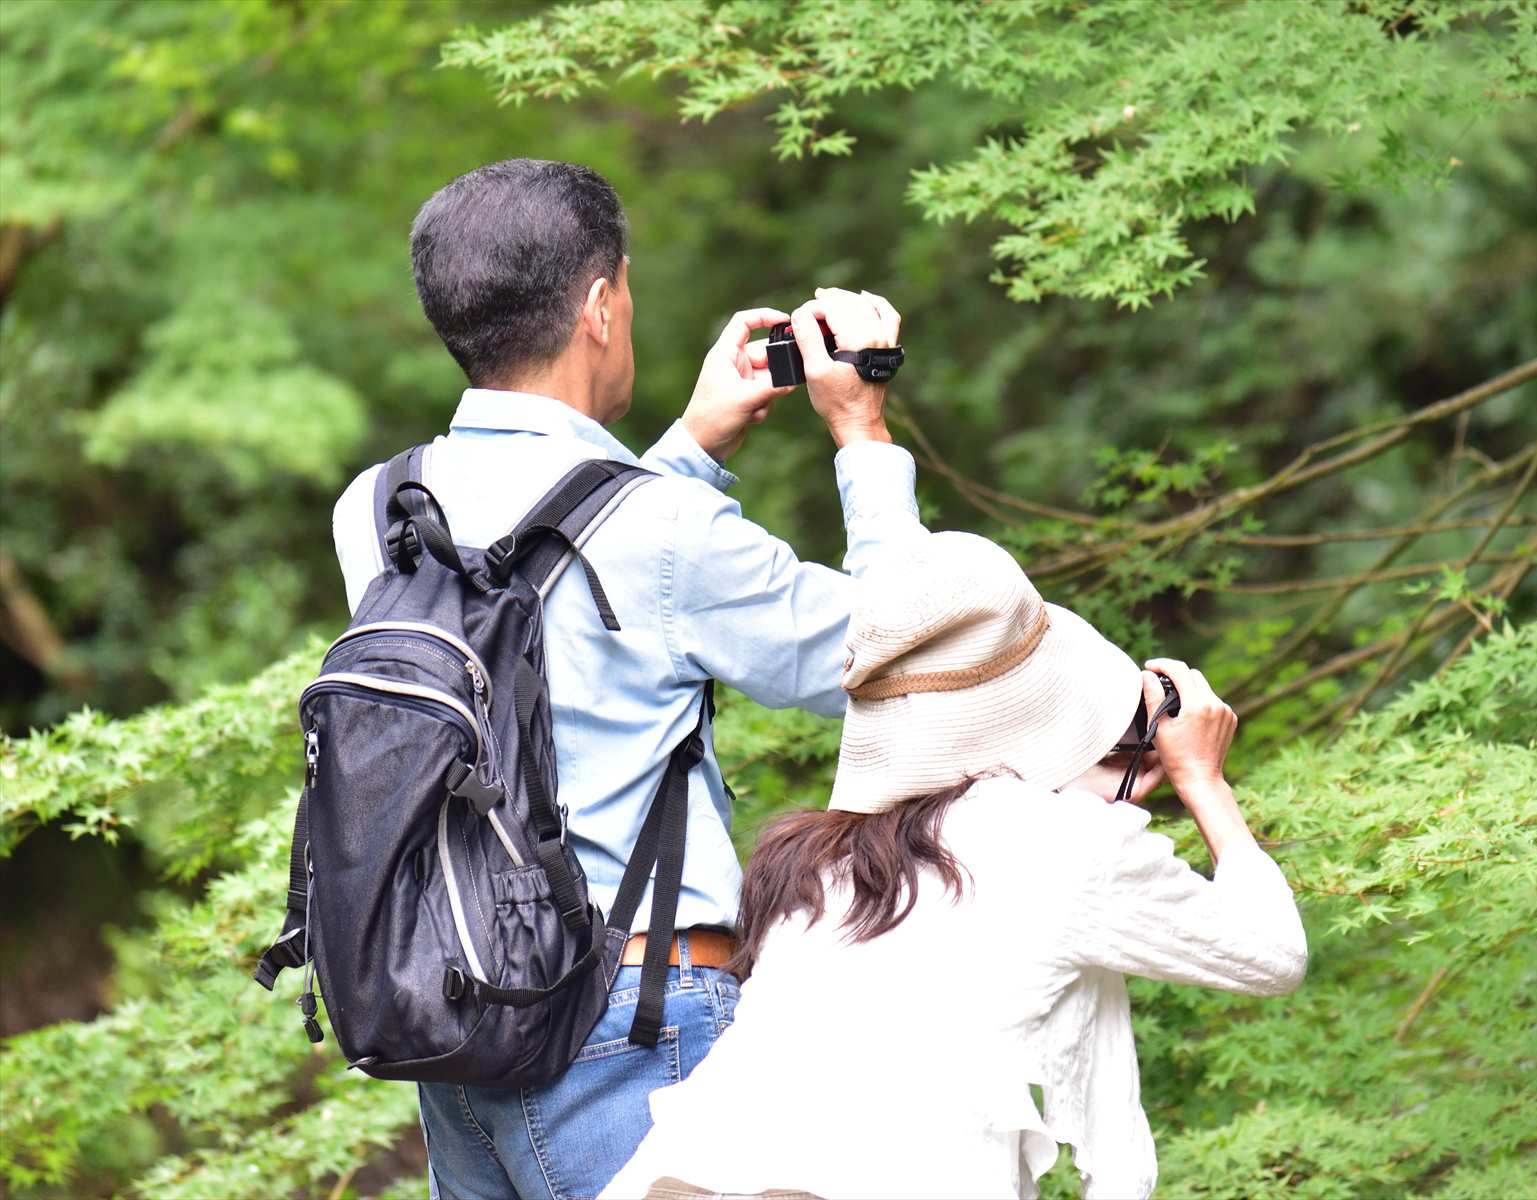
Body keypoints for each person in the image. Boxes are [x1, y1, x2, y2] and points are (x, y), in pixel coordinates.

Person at [329, 158, 927, 1198]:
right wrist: (860, 431)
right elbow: (909, 652)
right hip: (636, 1028)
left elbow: (544, 584)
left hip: (455, 1034)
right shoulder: (666, 534)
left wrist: (690, 447)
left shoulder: (378, 510)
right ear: (601, 306)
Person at [602, 532, 1309, 1200]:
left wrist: (1094, 771)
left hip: (678, 1174)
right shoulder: (1070, 842)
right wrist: (1202, 779)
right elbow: (1272, 953)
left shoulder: (821, 856)